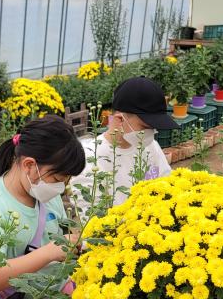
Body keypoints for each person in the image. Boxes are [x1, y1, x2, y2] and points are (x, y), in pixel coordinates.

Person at [0, 115, 86, 299]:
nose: (61, 188)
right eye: (57, 179)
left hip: (52, 296)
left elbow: (57, 240)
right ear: (29, 165)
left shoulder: (46, 194)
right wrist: (49, 253)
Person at [69, 77, 178, 210]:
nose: (151, 132)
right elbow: (93, 222)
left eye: (154, 127)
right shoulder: (90, 160)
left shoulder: (149, 145)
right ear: (120, 119)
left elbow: (166, 183)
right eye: (145, 127)